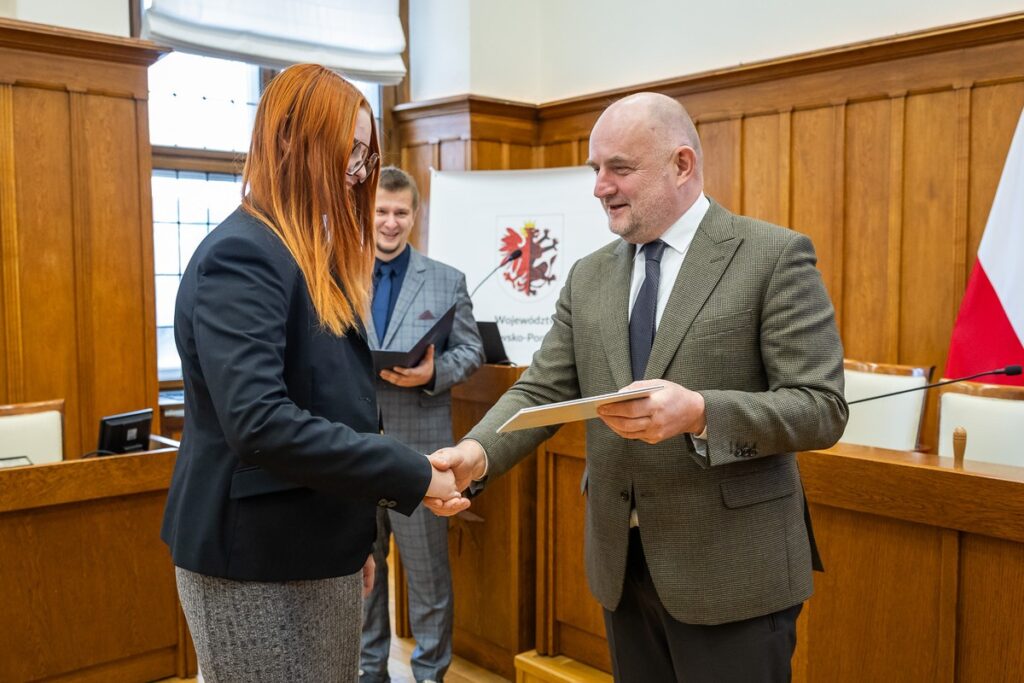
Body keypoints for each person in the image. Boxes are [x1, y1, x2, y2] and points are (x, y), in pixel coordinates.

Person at [427, 92, 848, 682]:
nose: (600, 187)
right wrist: (477, 452)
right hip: (622, 569)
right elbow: (541, 390)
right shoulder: (589, 274)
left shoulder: (771, 256)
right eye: (596, 169)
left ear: (682, 165)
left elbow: (821, 407)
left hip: (734, 574)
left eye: (619, 168)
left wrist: (700, 412)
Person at [161, 64, 467, 683]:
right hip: (255, 560)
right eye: (349, 152)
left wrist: (350, 539)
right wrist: (412, 472)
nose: (358, 172)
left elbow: (332, 408)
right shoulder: (244, 254)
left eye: (365, 156)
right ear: (289, 142)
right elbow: (261, 424)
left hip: (315, 546)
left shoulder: (306, 255)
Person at [360, 167, 485, 683]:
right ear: (366, 213)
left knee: (429, 577)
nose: (390, 222)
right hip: (353, 450)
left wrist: (433, 373)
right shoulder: (337, 272)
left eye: (400, 212)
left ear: (415, 215)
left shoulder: (445, 278)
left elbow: (472, 350)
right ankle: (369, 671)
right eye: (381, 211)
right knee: (362, 575)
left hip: (422, 455)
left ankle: (430, 673)